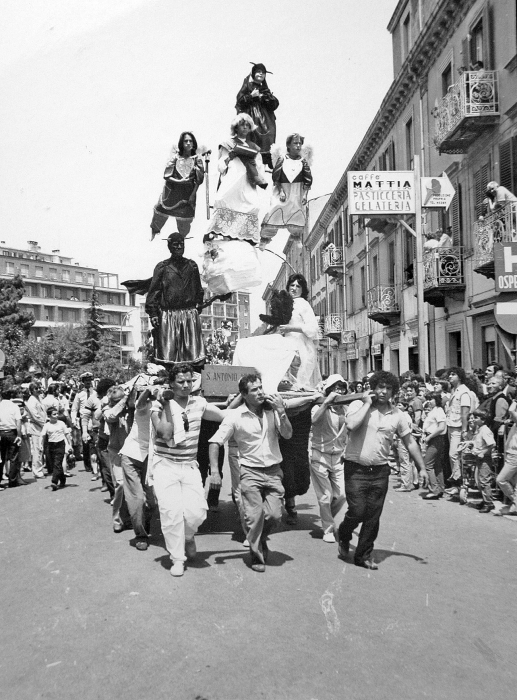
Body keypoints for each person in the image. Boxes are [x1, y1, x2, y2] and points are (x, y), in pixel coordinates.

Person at [337, 371, 427, 570]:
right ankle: (343, 535)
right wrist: (367, 403)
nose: (383, 392)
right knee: (357, 510)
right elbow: (351, 425)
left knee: (373, 516)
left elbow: (410, 442)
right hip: (355, 470)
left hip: (379, 472)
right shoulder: (358, 405)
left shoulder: (398, 415)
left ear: (394, 392)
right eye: (380, 387)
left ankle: (363, 555)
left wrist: (422, 468)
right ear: (373, 388)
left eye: (388, 388)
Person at [208, 373, 292, 573]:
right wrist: (214, 471)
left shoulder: (273, 412)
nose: (261, 392)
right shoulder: (235, 416)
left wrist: (281, 410)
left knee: (274, 515)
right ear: (244, 395)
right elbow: (214, 441)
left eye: (261, 387)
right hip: (250, 472)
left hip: (273, 471)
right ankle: (256, 553)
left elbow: (288, 434)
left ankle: (260, 539)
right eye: (255, 390)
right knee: (254, 517)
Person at [151, 363, 225, 577]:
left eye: (189, 381)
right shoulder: (159, 406)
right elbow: (165, 434)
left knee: (196, 512)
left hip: (189, 465)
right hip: (166, 466)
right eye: (181, 382)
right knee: (171, 513)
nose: (185, 386)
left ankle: (188, 536)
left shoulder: (199, 403)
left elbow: (222, 415)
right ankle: (177, 558)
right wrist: (166, 405)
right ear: (171, 384)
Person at [202, 114, 265, 296]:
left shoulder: (254, 148)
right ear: (235, 127)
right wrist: (230, 156)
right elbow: (220, 165)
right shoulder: (227, 143)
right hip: (231, 185)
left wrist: (254, 167)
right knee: (222, 228)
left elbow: (260, 169)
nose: (244, 127)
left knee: (247, 226)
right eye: (241, 125)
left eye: (247, 125)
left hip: (247, 185)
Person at [233, 273, 321, 392]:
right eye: (292, 285)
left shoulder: (303, 303)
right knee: (248, 344)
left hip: (298, 344)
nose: (294, 288)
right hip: (285, 340)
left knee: (293, 376)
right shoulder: (286, 302)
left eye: (298, 286)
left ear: (302, 289)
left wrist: (291, 328)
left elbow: (313, 328)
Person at [145, 233, 205, 366]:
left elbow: (198, 289)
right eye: (175, 244)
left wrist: (199, 304)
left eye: (181, 244)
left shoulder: (192, 266)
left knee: (193, 357)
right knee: (167, 357)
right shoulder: (162, 267)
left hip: (189, 315)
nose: (179, 247)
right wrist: (153, 313)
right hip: (168, 316)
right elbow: (154, 291)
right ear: (169, 247)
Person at [310, 375, 348, 543]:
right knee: (325, 495)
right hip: (320, 455)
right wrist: (326, 403)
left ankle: (327, 518)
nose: (339, 391)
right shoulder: (319, 407)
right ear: (329, 390)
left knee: (341, 495)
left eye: (342, 388)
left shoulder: (347, 409)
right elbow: (314, 420)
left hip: (339, 456)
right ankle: (328, 529)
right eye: (335, 388)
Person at [119, 383, 156, 551]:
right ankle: (140, 534)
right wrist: (149, 389)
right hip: (132, 454)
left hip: (151, 457)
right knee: (137, 498)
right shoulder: (142, 406)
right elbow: (139, 403)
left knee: (152, 501)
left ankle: (143, 522)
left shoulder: (165, 405)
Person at [260, 133, 313, 248]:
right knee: (274, 211)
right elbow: (276, 176)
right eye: (295, 143)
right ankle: (265, 238)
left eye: (300, 143)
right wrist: (281, 191)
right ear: (288, 145)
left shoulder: (303, 161)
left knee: (296, 213)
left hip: (296, 191)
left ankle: (296, 236)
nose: (298, 146)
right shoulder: (282, 159)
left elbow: (308, 179)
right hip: (283, 190)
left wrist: (304, 195)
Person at [150, 131, 205, 240]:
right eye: (186, 141)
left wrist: (193, 195)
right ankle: (153, 235)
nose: (188, 143)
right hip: (171, 194)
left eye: (190, 141)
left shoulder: (197, 159)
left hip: (187, 195)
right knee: (159, 213)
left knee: (184, 221)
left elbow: (199, 180)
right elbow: (166, 175)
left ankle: (182, 241)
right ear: (181, 143)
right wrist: (179, 182)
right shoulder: (175, 158)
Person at [235, 62, 279, 168]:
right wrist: (251, 96)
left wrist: (264, 97)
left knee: (268, 139)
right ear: (253, 73)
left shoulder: (265, 89)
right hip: (251, 117)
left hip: (266, 121)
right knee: (252, 138)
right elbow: (239, 101)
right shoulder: (247, 85)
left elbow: (275, 104)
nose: (261, 74)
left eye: (263, 72)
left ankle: (267, 163)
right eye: (258, 71)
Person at [101, 385, 131, 533]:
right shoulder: (107, 409)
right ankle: (118, 519)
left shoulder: (131, 408)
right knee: (120, 485)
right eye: (116, 401)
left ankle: (132, 518)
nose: (120, 403)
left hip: (133, 452)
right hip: (116, 451)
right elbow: (111, 416)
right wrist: (124, 400)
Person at [444, 367, 472, 496]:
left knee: (454, 454)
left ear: (459, 377)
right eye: (450, 374)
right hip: (450, 425)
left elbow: (465, 412)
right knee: (453, 455)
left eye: (453, 374)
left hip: (458, 427)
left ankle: (458, 481)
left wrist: (465, 430)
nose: (450, 377)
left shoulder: (464, 392)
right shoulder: (453, 391)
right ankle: (456, 483)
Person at [467, 409, 496, 513]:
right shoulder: (479, 430)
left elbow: (492, 444)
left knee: (484, 481)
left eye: (476, 418)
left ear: (483, 420)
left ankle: (489, 503)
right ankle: (485, 500)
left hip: (485, 459)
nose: (473, 419)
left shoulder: (485, 430)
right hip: (479, 458)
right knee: (480, 481)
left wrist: (483, 452)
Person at [421, 392, 448, 500]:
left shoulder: (439, 411)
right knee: (436, 465)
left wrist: (429, 437)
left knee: (427, 464)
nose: (429, 401)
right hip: (432, 438)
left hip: (435, 439)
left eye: (431, 399)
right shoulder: (433, 411)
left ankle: (434, 489)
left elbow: (441, 427)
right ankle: (440, 487)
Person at [40, 407, 73, 491]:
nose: (56, 416)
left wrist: (70, 445)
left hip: (60, 445)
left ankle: (54, 482)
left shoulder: (61, 423)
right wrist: (41, 445)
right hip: (51, 446)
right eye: (54, 414)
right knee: (55, 464)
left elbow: (67, 434)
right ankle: (62, 479)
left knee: (57, 463)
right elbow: (43, 436)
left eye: (57, 413)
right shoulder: (47, 425)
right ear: (49, 416)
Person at [70, 371, 96, 473]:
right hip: (83, 419)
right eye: (86, 380)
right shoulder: (79, 394)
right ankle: (88, 465)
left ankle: (96, 463)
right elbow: (74, 409)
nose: (88, 382)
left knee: (94, 441)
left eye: (89, 380)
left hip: (93, 418)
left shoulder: (95, 393)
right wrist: (73, 420)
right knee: (85, 442)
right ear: (83, 382)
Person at [0, 388, 25, 489]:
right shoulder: (14, 406)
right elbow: (18, 421)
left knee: (1, 458)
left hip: (1, 432)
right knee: (13, 457)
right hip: (12, 432)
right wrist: (19, 435)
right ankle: (12, 480)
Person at [496, 397, 517, 516]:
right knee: (515, 481)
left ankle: (515, 500)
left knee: (501, 479)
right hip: (512, 453)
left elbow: (511, 410)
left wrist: (515, 400)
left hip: (514, 454)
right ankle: (515, 505)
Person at [24, 381, 47, 479]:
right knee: (37, 449)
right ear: (31, 391)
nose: (38, 390)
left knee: (41, 449)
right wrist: (44, 424)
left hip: (42, 426)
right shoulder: (31, 400)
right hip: (36, 427)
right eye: (36, 389)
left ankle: (40, 468)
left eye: (39, 388)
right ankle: (37, 471)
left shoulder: (39, 398)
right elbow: (35, 416)